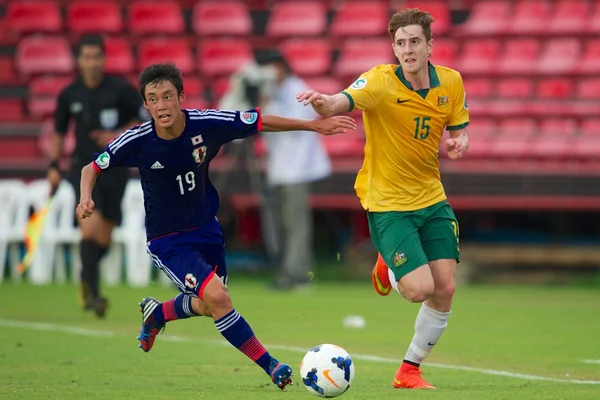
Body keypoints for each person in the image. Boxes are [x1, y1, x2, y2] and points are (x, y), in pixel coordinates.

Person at [75, 63, 356, 390]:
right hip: (168, 241)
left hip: (206, 230)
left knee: (211, 304)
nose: (162, 105)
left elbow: (260, 120)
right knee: (219, 299)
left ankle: (158, 314)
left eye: (168, 96)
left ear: (181, 96)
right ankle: (272, 365)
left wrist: (313, 126)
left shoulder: (207, 123)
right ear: (146, 105)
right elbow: (90, 167)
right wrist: (85, 198)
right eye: (153, 99)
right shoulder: (138, 140)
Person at [296, 8, 469, 390]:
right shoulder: (379, 81)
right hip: (388, 202)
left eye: (415, 42)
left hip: (432, 198)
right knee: (418, 290)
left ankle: (409, 370)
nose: (407, 49)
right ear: (394, 47)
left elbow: (460, 128)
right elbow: (343, 99)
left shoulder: (451, 83)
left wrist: (459, 141)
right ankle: (388, 262)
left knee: (446, 288)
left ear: (429, 46)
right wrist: (323, 102)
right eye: (401, 43)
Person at [49, 35, 145, 318]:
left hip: (115, 171)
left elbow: (140, 122)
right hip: (84, 170)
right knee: (89, 230)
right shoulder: (70, 94)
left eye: (96, 57)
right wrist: (53, 165)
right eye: (86, 57)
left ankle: (85, 278)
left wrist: (114, 137)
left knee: (103, 238)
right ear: (79, 61)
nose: (92, 63)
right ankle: (93, 295)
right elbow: (58, 132)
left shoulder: (121, 90)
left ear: (104, 59)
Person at [261, 51, 331, 290]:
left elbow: (294, 125)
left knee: (295, 224)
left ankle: (297, 274)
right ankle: (288, 270)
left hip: (296, 168)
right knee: (281, 224)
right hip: (278, 168)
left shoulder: (297, 89)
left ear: (282, 67)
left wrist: (266, 105)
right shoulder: (269, 92)